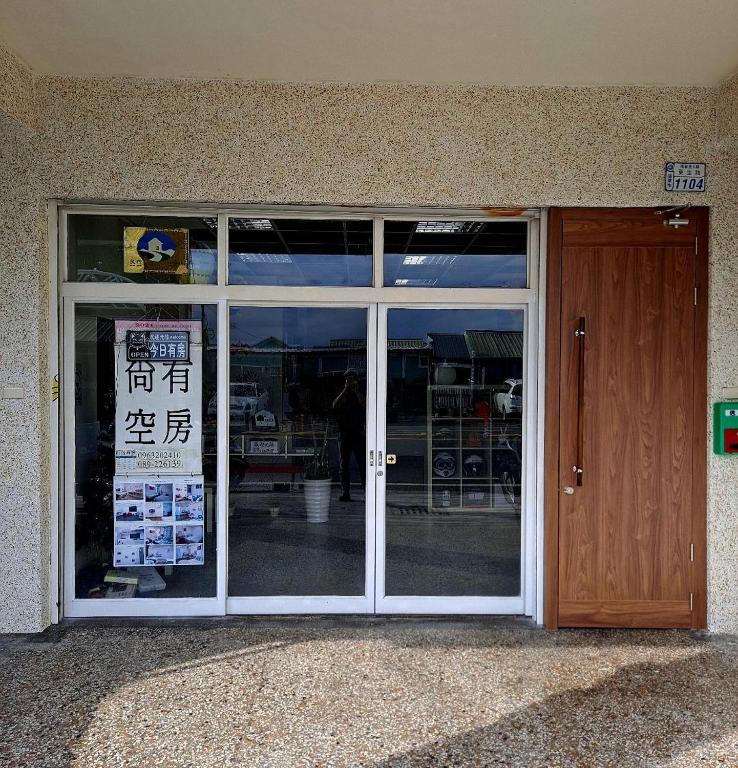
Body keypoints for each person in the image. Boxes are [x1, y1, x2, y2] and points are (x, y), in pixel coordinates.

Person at [332, 369, 366, 502]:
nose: (350, 382)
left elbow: (365, 405)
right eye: (347, 380)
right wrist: (345, 390)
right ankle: (345, 492)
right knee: (343, 464)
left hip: (358, 432)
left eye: (352, 379)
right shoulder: (342, 392)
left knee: (362, 463)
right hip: (344, 432)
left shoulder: (361, 391)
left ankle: (367, 491)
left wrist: (356, 391)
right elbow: (334, 405)